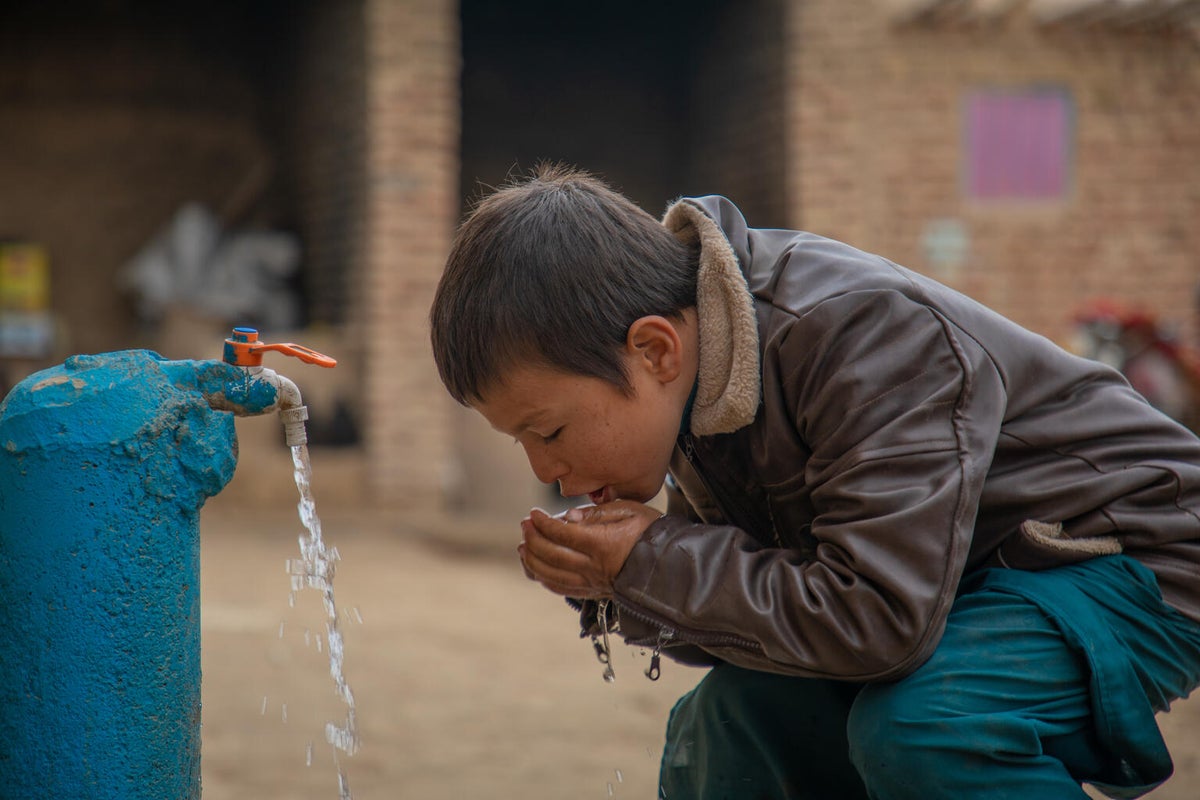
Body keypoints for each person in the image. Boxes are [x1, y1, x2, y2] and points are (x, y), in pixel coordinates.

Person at [428, 164, 1200, 800]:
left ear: (654, 351)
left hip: (1125, 553)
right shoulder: (699, 394)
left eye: (549, 430)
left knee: (930, 725)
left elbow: (878, 620)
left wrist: (651, 562)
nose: (544, 470)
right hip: (959, 582)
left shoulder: (862, 333)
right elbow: (767, 631)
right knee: (729, 723)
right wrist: (618, 583)